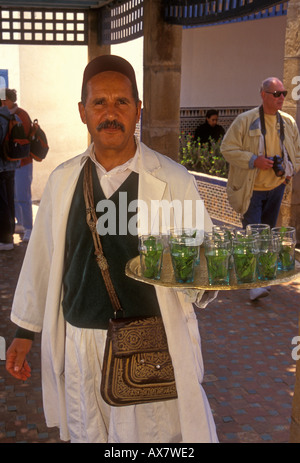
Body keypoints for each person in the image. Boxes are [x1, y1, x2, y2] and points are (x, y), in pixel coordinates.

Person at [6, 55, 218, 443]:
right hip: (81, 343)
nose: (110, 113)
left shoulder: (172, 179)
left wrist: (208, 277)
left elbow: (200, 262)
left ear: (138, 109)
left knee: (154, 442)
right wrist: (24, 330)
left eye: (122, 102)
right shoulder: (64, 180)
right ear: (83, 111)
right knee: (91, 435)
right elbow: (43, 259)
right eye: (99, 103)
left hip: (152, 345)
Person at [221, 77, 300, 300]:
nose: (282, 98)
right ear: (263, 95)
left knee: (265, 236)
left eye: (283, 93)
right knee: (253, 235)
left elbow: (297, 152)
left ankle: (260, 278)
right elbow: (227, 148)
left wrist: (287, 171)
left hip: (276, 188)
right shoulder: (245, 121)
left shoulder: (288, 122)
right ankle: (252, 283)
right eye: (276, 94)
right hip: (251, 190)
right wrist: (254, 160)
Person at [2, 89, 32, 243]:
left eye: (3, 99)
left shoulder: (21, 115)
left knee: (23, 196)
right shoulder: (7, 115)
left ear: (9, 100)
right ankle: (19, 223)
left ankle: (29, 228)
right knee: (13, 196)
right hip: (12, 163)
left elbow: (22, 137)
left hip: (23, 162)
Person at [0, 100, 20, 251]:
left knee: (2, 203)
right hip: (12, 164)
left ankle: (5, 239)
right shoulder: (15, 117)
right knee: (9, 201)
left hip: (1, 166)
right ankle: (10, 235)